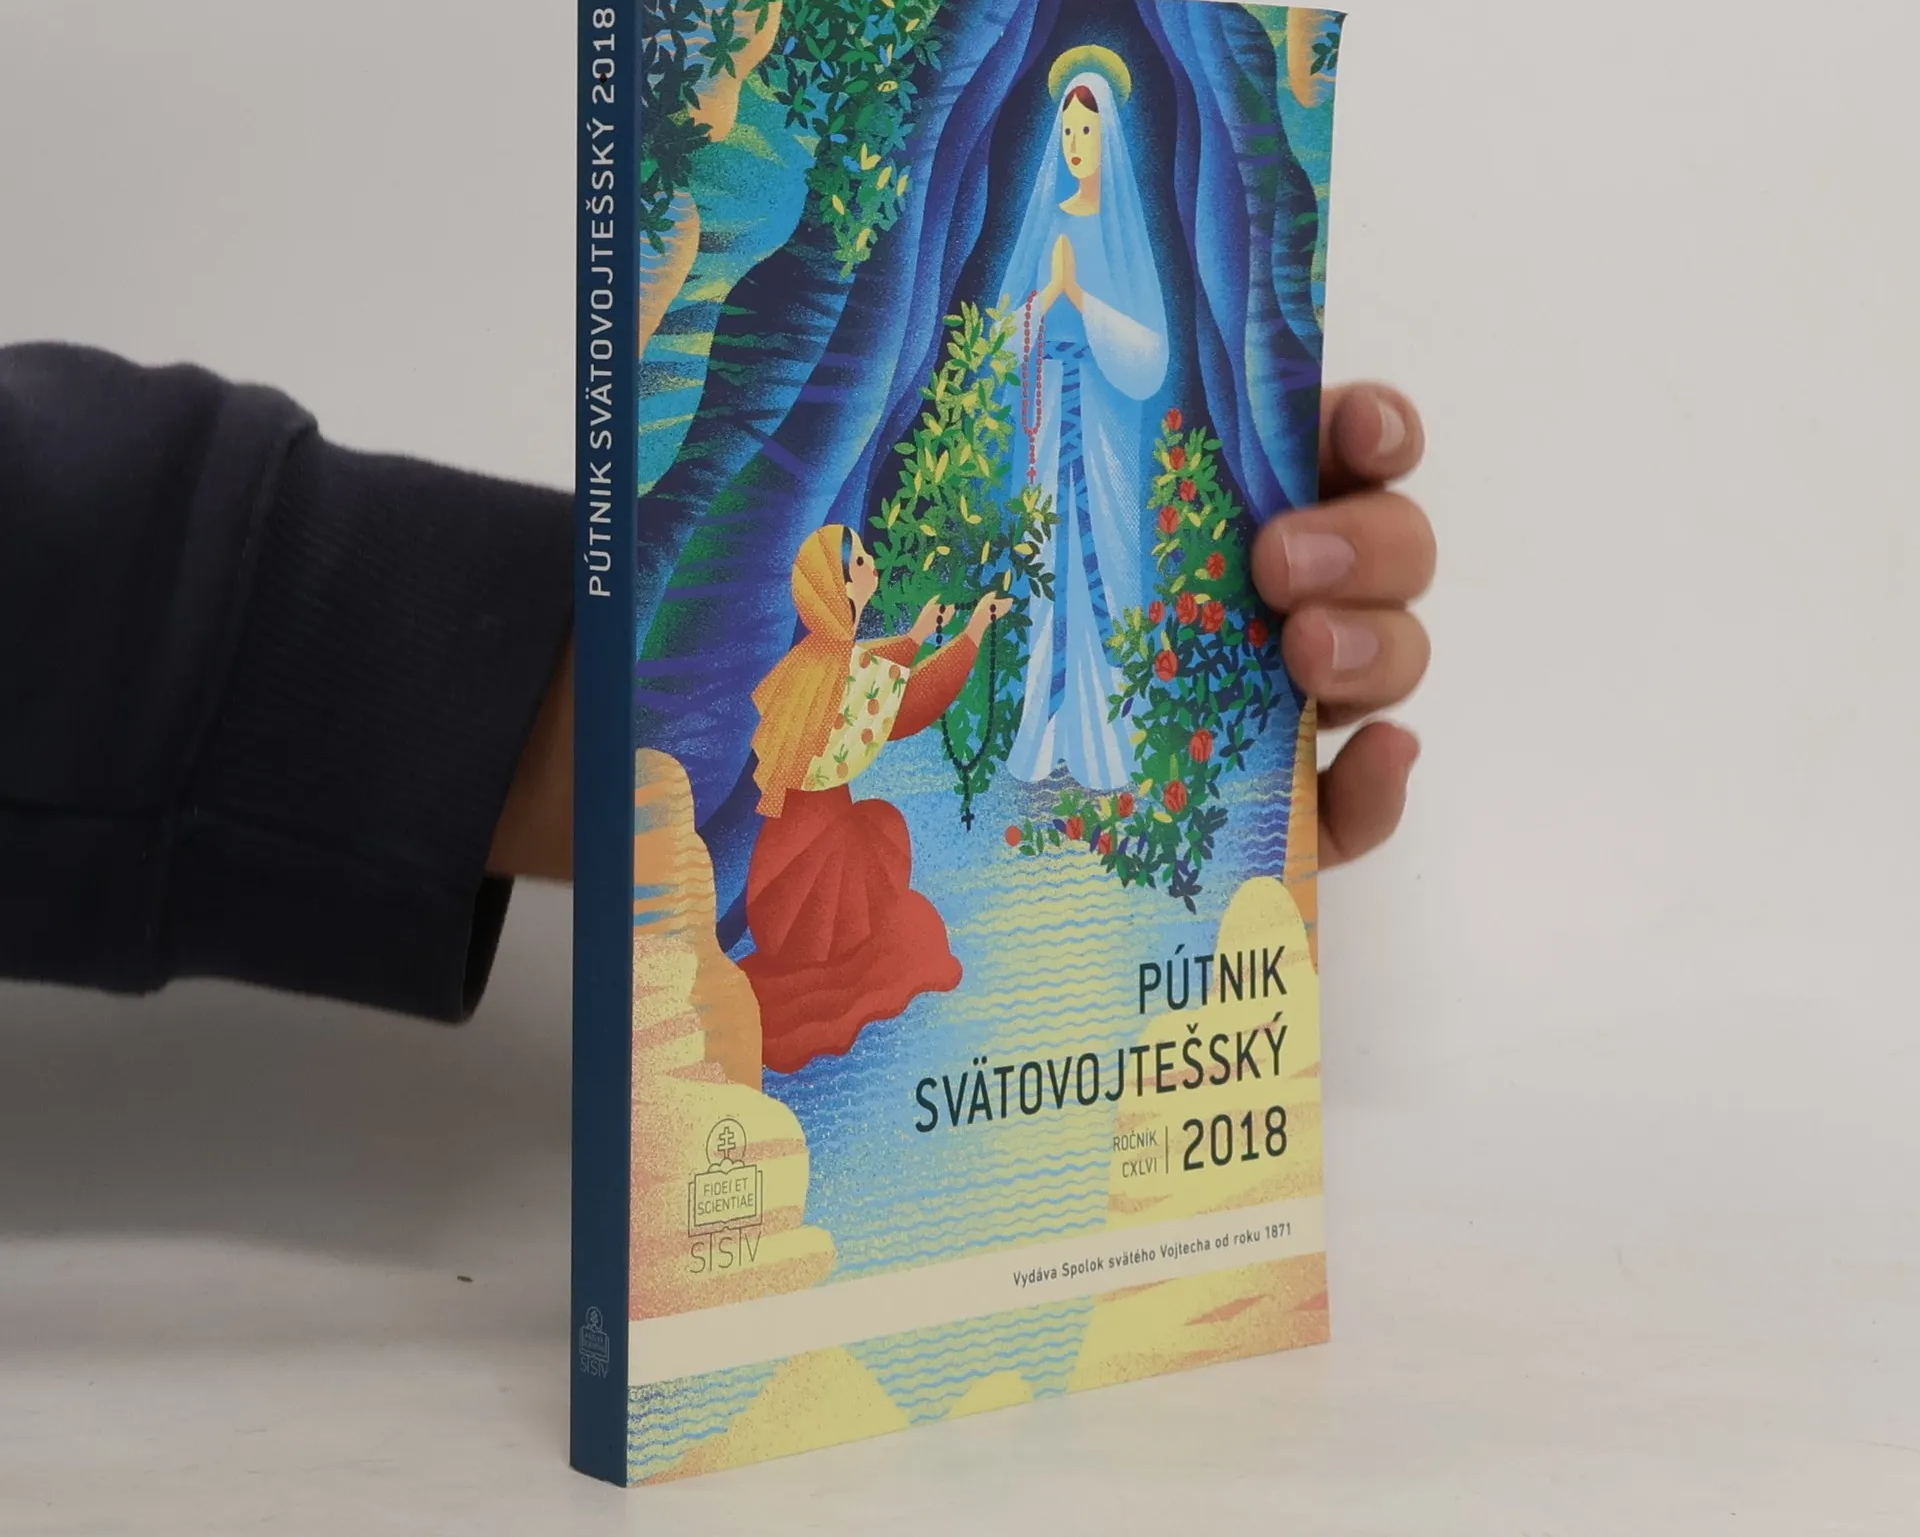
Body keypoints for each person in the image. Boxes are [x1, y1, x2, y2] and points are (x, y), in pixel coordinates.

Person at [0, 342, 1432, 1022]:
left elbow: (910, 692)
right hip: (807, 836)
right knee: (849, 912)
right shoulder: (811, 679)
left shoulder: (843, 662)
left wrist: (1032, 627)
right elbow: (871, 708)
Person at [740, 524, 1012, 1074]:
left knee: (874, 827)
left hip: (781, 859)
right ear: (842, 587)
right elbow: (910, 702)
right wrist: (973, 631)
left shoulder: (814, 658)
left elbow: (870, 666)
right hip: (817, 860)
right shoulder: (841, 672)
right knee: (880, 835)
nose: (873, 566)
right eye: (862, 561)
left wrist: (916, 636)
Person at [999, 50, 1169, 791]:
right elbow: (1000, 337)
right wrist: (1046, 301)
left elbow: (1152, 353)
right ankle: (1044, 735)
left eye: (1086, 131)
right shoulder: (1047, 224)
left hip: (1102, 427)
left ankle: (1106, 742)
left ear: (1109, 137)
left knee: (1107, 566)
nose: (1074, 144)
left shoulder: (1124, 233)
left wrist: (1084, 304)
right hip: (1046, 425)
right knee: (1046, 563)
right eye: (1066, 130)